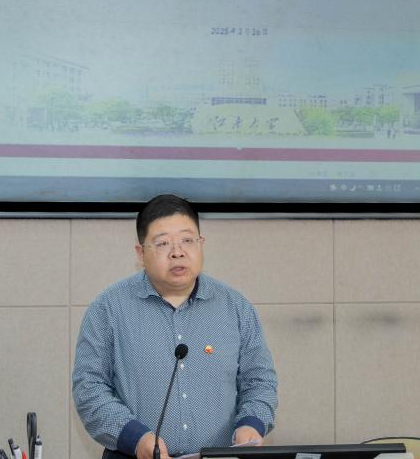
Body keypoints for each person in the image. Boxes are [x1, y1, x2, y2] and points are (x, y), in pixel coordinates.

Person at [73, 194, 278, 459]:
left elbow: (260, 380)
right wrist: (136, 438)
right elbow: (89, 388)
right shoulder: (108, 309)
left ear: (201, 244)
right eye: (163, 243)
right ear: (141, 253)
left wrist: (251, 423)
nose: (177, 252)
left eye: (187, 240)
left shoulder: (235, 307)